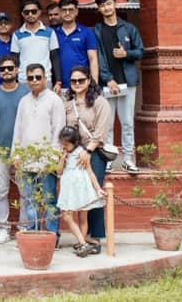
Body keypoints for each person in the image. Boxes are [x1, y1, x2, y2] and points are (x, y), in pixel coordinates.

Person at [11, 63, 66, 239]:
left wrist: (52, 159)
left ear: (45, 78)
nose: (34, 81)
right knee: (30, 200)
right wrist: (16, 154)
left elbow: (58, 131)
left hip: (46, 162)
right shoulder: (24, 101)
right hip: (27, 160)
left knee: (49, 200)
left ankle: (52, 236)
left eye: (38, 77)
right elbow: (18, 129)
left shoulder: (54, 100)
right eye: (30, 78)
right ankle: (33, 234)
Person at [93, 0, 145, 174]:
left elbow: (141, 51)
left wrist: (126, 54)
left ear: (115, 4)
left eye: (109, 4)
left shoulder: (129, 28)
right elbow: (98, 57)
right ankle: (109, 159)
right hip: (107, 84)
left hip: (127, 83)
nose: (106, 8)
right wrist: (108, 78)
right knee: (107, 124)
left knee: (127, 122)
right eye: (102, 5)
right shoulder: (97, 31)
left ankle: (128, 159)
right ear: (99, 9)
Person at [64, 65, 112, 255]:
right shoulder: (68, 103)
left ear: (89, 80)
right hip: (74, 154)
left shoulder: (100, 102)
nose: (77, 84)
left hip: (94, 152)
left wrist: (88, 150)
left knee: (94, 193)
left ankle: (95, 236)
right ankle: (83, 237)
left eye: (81, 80)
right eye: (73, 81)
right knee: (80, 193)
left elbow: (101, 130)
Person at [0, 54, 30, 245]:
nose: (7, 71)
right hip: (0, 151)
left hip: (24, 151)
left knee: (26, 192)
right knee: (1, 191)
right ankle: (2, 229)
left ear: (17, 70)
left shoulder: (27, 91)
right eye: (3, 69)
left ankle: (25, 228)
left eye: (10, 68)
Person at [56, 126, 106, 258]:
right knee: (67, 216)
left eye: (67, 144)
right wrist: (62, 158)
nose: (64, 146)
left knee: (83, 218)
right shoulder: (63, 153)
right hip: (69, 188)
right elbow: (58, 171)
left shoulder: (82, 153)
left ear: (75, 142)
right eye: (62, 143)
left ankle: (81, 243)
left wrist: (98, 189)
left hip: (82, 188)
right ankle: (83, 243)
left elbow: (90, 172)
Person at [11, 0, 62, 91]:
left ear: (39, 12)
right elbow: (15, 60)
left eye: (33, 11)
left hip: (45, 79)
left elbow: (55, 57)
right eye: (27, 12)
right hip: (24, 80)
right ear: (22, 14)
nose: (30, 14)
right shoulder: (17, 34)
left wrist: (58, 81)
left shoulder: (50, 32)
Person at [55, 0, 99, 89]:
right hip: (59, 86)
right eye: (64, 10)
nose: (67, 13)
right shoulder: (53, 33)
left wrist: (94, 84)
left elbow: (93, 59)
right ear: (60, 12)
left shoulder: (87, 32)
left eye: (71, 10)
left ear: (76, 12)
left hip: (82, 83)